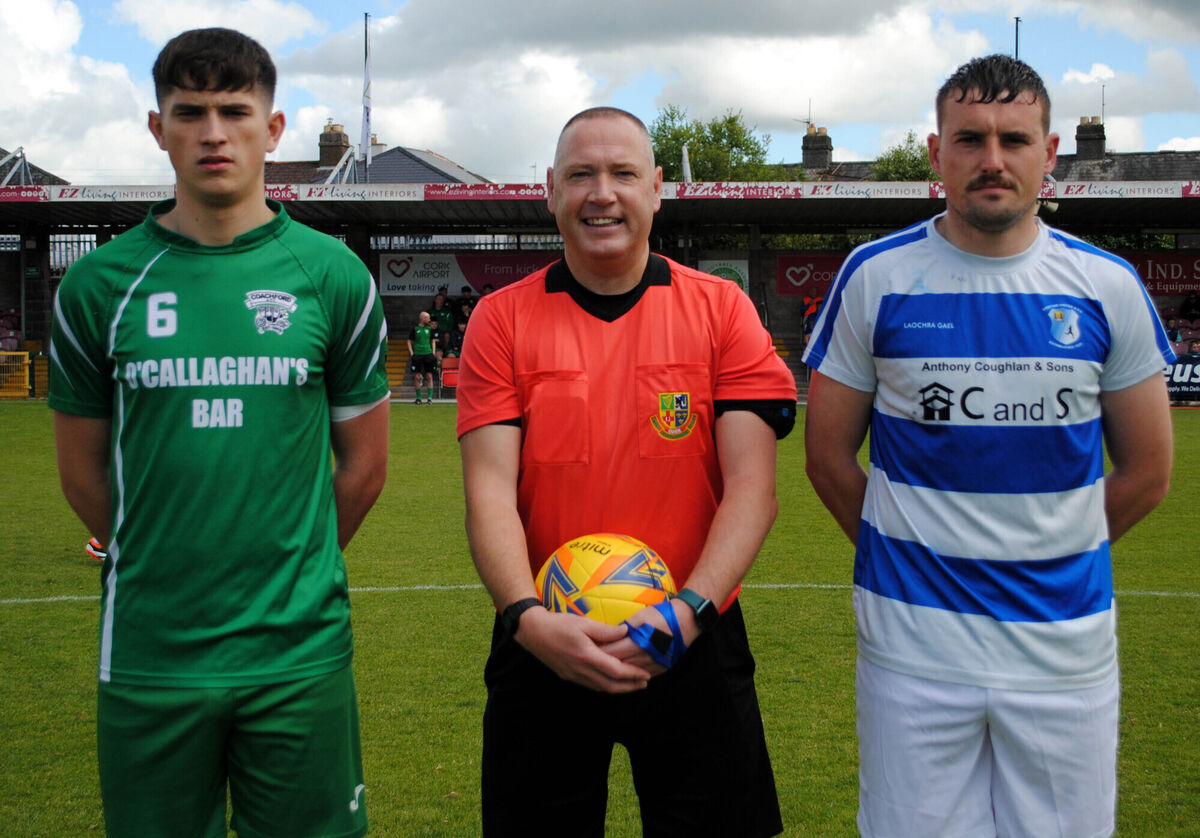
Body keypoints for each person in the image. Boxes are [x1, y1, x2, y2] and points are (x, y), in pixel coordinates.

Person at [803, 54, 1174, 838]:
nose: (993, 160)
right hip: (912, 650)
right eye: (970, 139)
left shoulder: (1106, 286)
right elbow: (828, 459)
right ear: (937, 153)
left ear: (1050, 152)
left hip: (1061, 650)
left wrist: (1051, 550)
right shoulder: (876, 276)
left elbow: (1147, 473)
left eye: (1014, 139)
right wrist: (904, 555)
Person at [48, 28, 390, 838]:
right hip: (149, 654)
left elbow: (365, 470)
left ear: (272, 131)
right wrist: (168, 561)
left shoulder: (332, 276)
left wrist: (289, 569)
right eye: (189, 111)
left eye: (235, 111)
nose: (212, 132)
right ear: (157, 127)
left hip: (297, 654)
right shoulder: (100, 286)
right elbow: (82, 476)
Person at [457, 107, 796, 837]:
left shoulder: (721, 311)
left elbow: (753, 489)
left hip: (693, 635)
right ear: (550, 190)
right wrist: (526, 619)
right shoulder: (500, 320)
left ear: (657, 188)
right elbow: (487, 492)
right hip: (544, 640)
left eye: (622, 174)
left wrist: (689, 612)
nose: (601, 193)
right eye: (580, 174)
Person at [408, 310, 439, 404]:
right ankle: (419, 398)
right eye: (428, 318)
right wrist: (411, 353)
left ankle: (429, 399)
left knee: (429, 376)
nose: (429, 320)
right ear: (423, 318)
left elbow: (433, 340)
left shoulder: (430, 329)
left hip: (428, 354)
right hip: (417, 354)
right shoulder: (415, 328)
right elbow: (409, 341)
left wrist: (433, 352)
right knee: (417, 377)